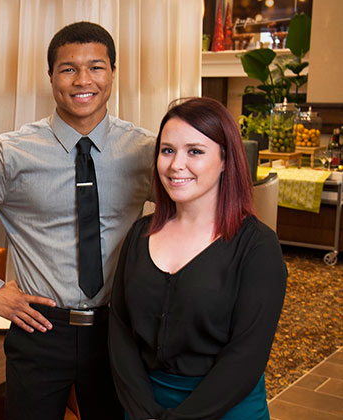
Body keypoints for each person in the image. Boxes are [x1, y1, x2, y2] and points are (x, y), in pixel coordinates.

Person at [0, 21, 154, 420]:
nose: (83, 80)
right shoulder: (12, 154)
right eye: (68, 69)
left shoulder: (145, 151)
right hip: (40, 331)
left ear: (113, 73)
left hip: (117, 331)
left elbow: (191, 212)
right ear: (50, 76)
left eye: (96, 67)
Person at [108, 97, 287, 420]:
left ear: (224, 160)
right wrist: (142, 411)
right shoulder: (139, 234)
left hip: (226, 408)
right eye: (167, 150)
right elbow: (120, 330)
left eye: (195, 151)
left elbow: (246, 357)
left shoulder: (258, 247)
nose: (176, 164)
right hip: (144, 408)